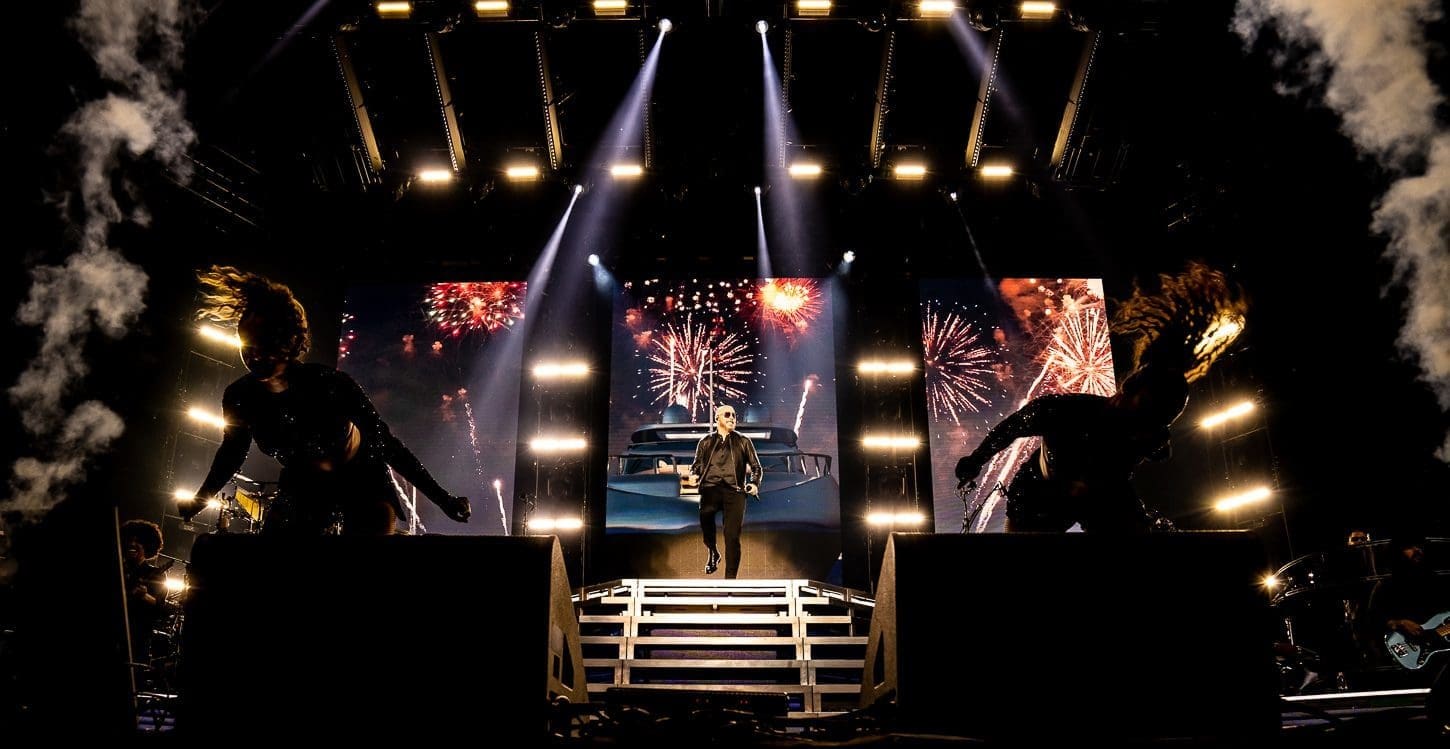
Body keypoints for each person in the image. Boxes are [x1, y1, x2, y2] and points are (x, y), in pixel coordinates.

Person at [181, 266, 470, 535]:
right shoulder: (240, 396)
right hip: (303, 485)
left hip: (362, 481)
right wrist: (200, 499)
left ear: (290, 341)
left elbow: (387, 445)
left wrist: (443, 499)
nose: (252, 353)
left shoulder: (330, 384)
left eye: (263, 342)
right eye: (246, 342)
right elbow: (232, 452)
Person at [954, 362, 1188, 532]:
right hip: (1038, 497)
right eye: (1147, 406)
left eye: (1162, 418)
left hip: (1099, 498)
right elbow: (1010, 428)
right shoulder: (1066, 411)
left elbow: (1159, 451)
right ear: (1128, 388)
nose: (1148, 418)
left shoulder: (1151, 433)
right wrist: (976, 460)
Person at [1368, 533, 1449, 728]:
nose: (1417, 550)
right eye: (1410, 547)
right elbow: (1372, 620)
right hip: (1400, 664)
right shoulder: (1385, 586)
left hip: (1439, 659)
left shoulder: (1437, 582)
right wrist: (1399, 623)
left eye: (1419, 546)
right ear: (1398, 553)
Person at [688, 405, 762, 578]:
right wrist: (693, 475)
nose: (732, 418)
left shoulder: (743, 441)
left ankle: (730, 581)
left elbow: (756, 467)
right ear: (717, 418)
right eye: (727, 415)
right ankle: (713, 551)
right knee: (706, 515)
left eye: (734, 415)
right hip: (710, 488)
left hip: (734, 491)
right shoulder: (706, 442)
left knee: (732, 536)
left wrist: (754, 483)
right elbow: (696, 465)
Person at [120, 519, 169, 664]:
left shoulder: (157, 575)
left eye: (138, 541)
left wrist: (145, 596)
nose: (132, 544)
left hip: (138, 641)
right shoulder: (118, 569)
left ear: (148, 546)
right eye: (129, 540)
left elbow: (162, 609)